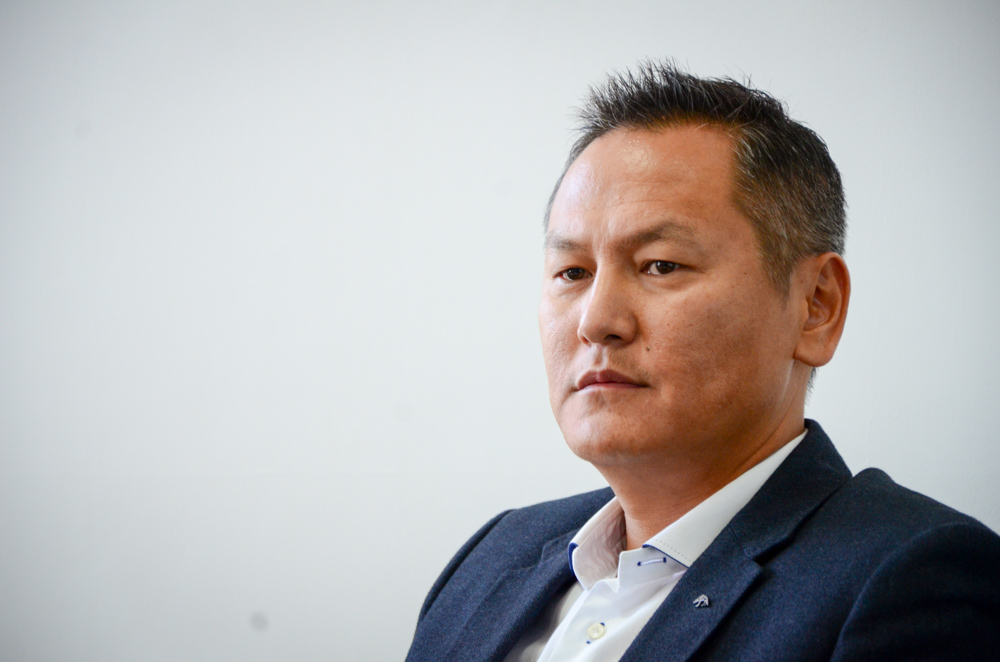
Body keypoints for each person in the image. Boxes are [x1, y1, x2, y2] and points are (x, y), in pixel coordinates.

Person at [405, 61, 1000, 662]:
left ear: (815, 307)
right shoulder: (492, 558)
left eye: (660, 265)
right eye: (573, 272)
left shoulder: (914, 579)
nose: (596, 320)